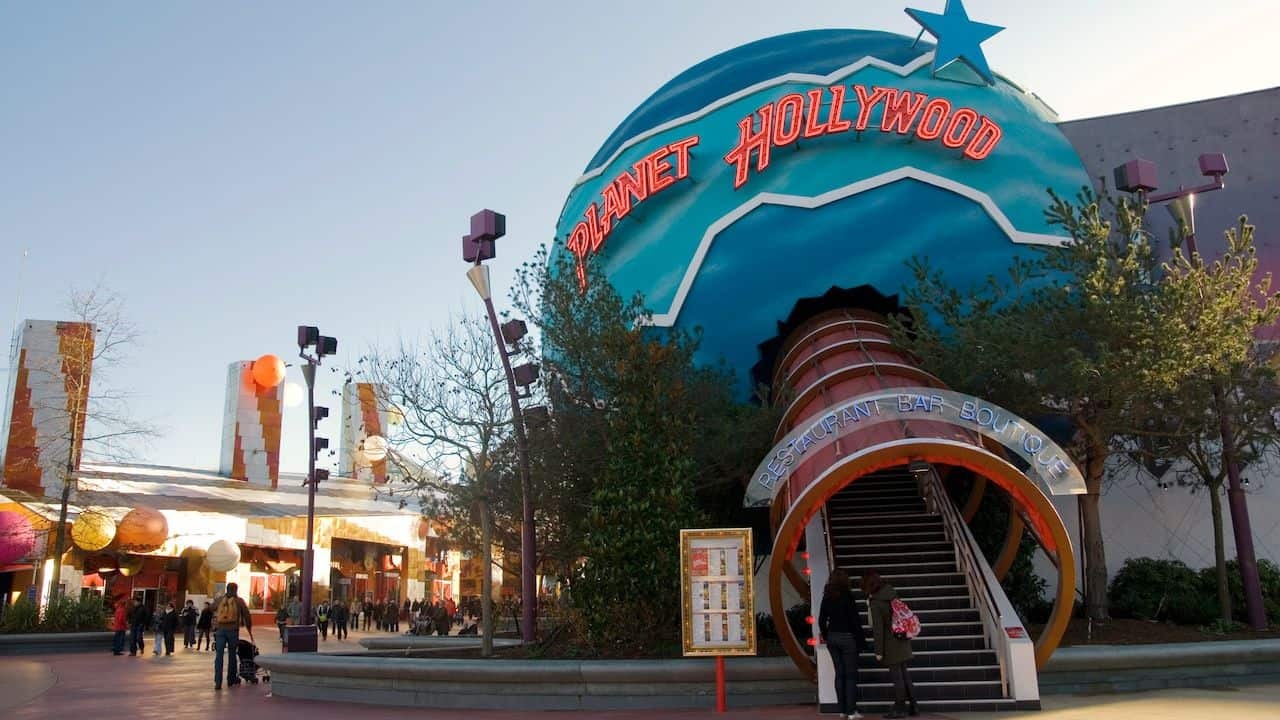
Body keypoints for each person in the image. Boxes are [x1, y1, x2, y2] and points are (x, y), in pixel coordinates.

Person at [863, 570, 917, 718]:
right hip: (902, 638)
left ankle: (899, 708)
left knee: (897, 677)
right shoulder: (891, 593)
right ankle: (914, 705)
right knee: (905, 674)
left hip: (890, 643)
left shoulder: (876, 602)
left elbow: (878, 630)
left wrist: (878, 651)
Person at [819, 569, 869, 720]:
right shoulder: (848, 597)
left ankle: (841, 709)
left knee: (839, 674)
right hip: (848, 638)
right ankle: (851, 710)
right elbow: (855, 621)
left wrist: (827, 635)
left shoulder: (827, 597)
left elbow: (821, 619)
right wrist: (861, 641)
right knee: (851, 675)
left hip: (833, 638)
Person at [212, 582, 254, 690]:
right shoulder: (239, 601)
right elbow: (247, 616)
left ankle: (218, 681)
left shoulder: (220, 600)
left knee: (219, 656)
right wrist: (250, 631)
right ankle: (231, 679)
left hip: (220, 631)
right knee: (232, 655)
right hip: (233, 631)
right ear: (236, 589)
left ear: (227, 589)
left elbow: (210, 608)